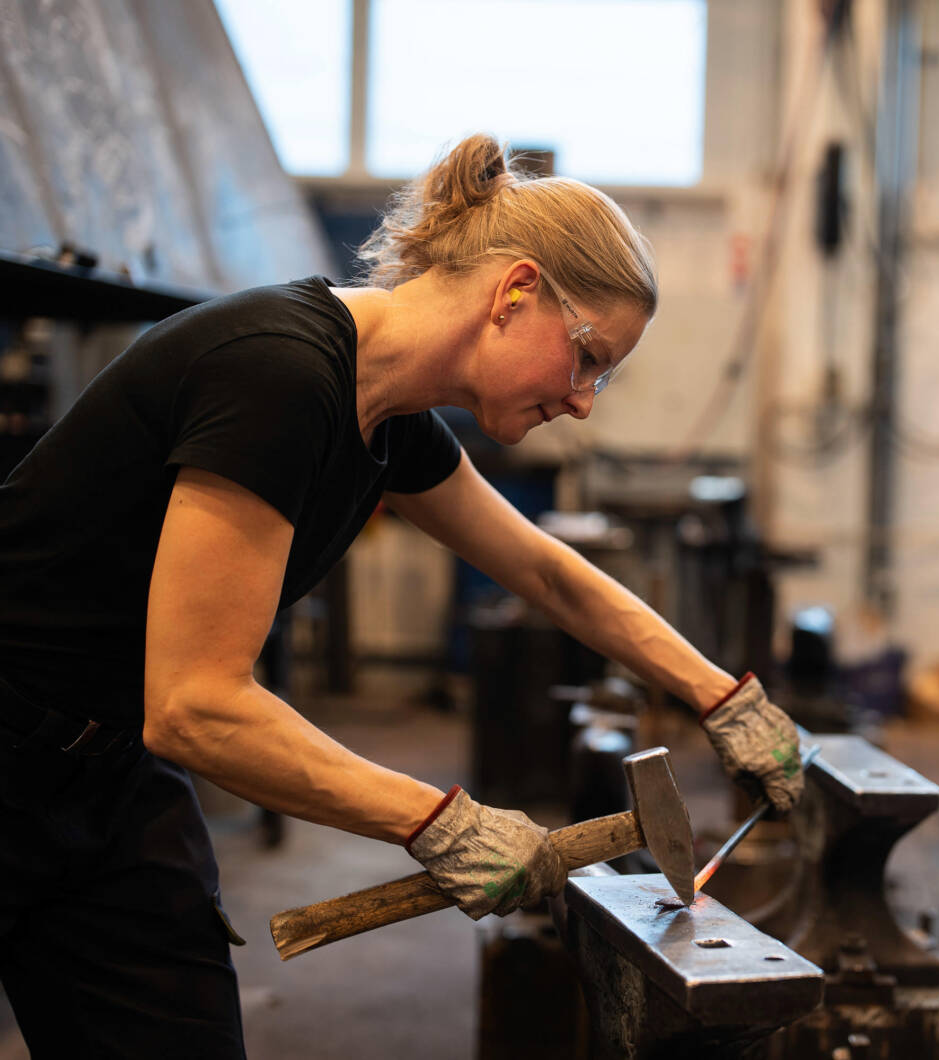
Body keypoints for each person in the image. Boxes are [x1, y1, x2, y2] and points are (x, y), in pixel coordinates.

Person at [0, 133, 804, 1058]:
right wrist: (438, 823)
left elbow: (542, 569)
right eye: (589, 357)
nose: (586, 401)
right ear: (515, 293)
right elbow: (195, 708)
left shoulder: (389, 414)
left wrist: (722, 696)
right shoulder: (278, 375)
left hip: (103, 779)